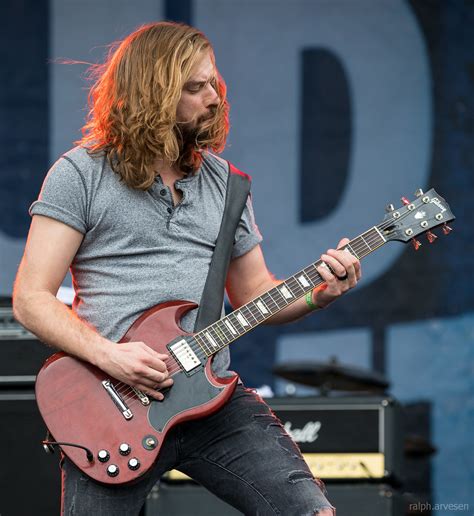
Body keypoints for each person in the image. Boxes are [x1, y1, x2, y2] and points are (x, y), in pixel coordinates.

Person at [13, 22, 360, 515]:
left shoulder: (227, 184)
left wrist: (318, 294)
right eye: (195, 88)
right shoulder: (80, 173)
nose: (214, 98)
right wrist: (111, 356)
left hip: (211, 402)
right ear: (152, 94)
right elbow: (31, 298)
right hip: (113, 408)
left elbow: (255, 291)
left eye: (214, 84)